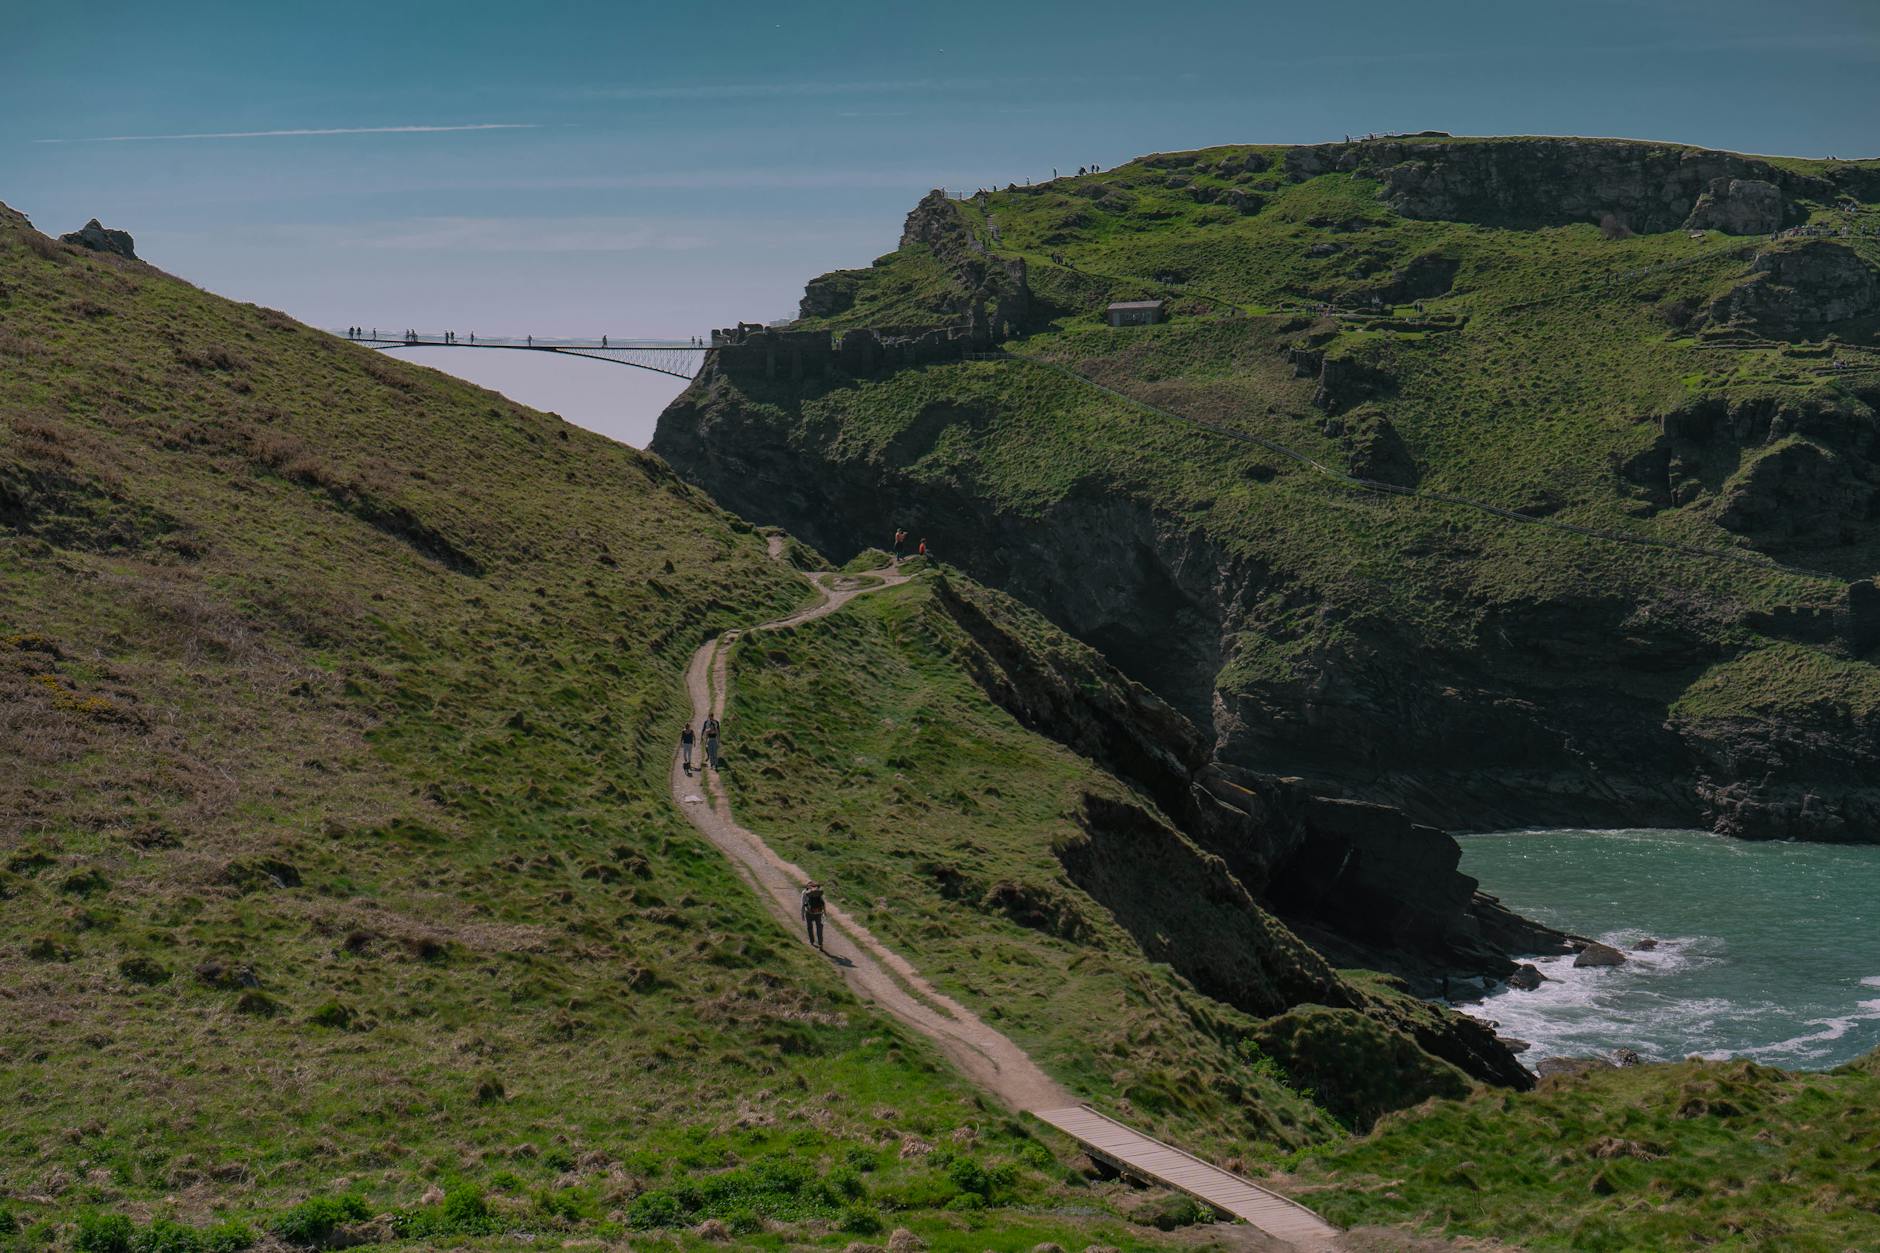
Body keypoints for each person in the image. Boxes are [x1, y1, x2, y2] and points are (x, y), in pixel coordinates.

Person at [800, 881, 826, 949]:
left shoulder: (805, 892)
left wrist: (802, 914)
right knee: (819, 928)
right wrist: (824, 913)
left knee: (810, 927)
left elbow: (802, 904)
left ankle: (812, 941)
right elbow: (823, 903)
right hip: (819, 913)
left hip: (809, 913)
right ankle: (820, 944)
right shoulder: (819, 892)